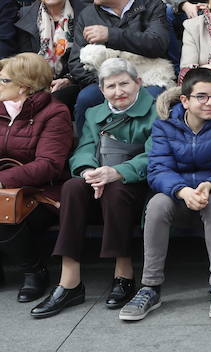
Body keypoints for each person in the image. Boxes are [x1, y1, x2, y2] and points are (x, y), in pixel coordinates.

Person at [29, 58, 156, 318]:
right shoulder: (93, 113)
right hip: (98, 177)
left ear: (139, 83)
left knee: (116, 190)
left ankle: (124, 273)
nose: (118, 91)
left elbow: (154, 155)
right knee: (73, 187)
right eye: (111, 86)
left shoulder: (156, 111)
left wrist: (118, 172)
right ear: (101, 89)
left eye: (124, 84)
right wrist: (88, 171)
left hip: (135, 183)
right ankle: (69, 281)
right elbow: (84, 148)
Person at [118, 68, 211, 322]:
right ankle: (150, 287)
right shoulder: (165, 125)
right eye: (202, 96)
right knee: (156, 204)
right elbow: (158, 170)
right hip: (177, 192)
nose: (210, 102)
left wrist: (209, 185)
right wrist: (183, 190)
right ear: (185, 100)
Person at [0, 53, 73, 304]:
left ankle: (34, 271)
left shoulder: (54, 113)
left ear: (24, 86)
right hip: (6, 187)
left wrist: (2, 180)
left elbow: (49, 166)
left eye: (4, 80)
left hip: (42, 192)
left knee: (1, 208)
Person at [68, 0, 169, 129]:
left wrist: (111, 35)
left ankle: (151, 151)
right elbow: (76, 63)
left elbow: (158, 44)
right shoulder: (88, 15)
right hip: (103, 81)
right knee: (86, 98)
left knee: (155, 96)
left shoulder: (151, 5)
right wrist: (111, 85)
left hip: (146, 79)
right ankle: (86, 150)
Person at [14, 0, 88, 109]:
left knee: (54, 99)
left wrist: (69, 80)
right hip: (34, 81)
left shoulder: (86, 14)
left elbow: (88, 59)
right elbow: (24, 57)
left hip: (73, 81)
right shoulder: (25, 15)